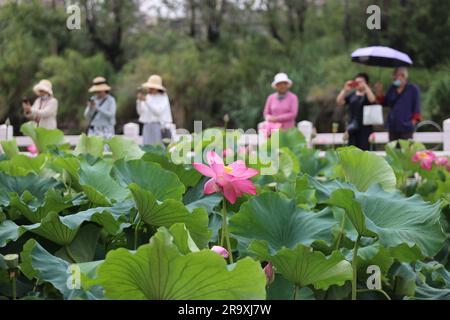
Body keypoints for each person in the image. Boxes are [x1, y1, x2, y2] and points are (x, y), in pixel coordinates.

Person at [376, 67, 421, 142]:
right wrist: (379, 92)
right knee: (393, 150)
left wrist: (412, 122)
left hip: (406, 126)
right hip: (393, 126)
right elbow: (385, 103)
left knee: (405, 150)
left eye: (395, 76)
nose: (393, 78)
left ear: (403, 76)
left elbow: (417, 107)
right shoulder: (392, 88)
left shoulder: (413, 88)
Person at [336, 73, 377, 151]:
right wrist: (345, 89)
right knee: (352, 151)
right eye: (356, 82)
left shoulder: (368, 94)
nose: (358, 84)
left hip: (366, 129)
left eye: (360, 82)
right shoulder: (352, 95)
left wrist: (365, 87)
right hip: (353, 127)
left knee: (366, 151)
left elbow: (372, 100)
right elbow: (339, 101)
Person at [136, 75, 173, 145]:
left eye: (151, 88)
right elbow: (140, 112)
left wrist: (146, 101)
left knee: (158, 149)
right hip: (147, 126)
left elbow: (157, 112)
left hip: (159, 127)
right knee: (147, 149)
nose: (149, 89)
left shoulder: (163, 98)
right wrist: (139, 101)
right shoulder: (148, 97)